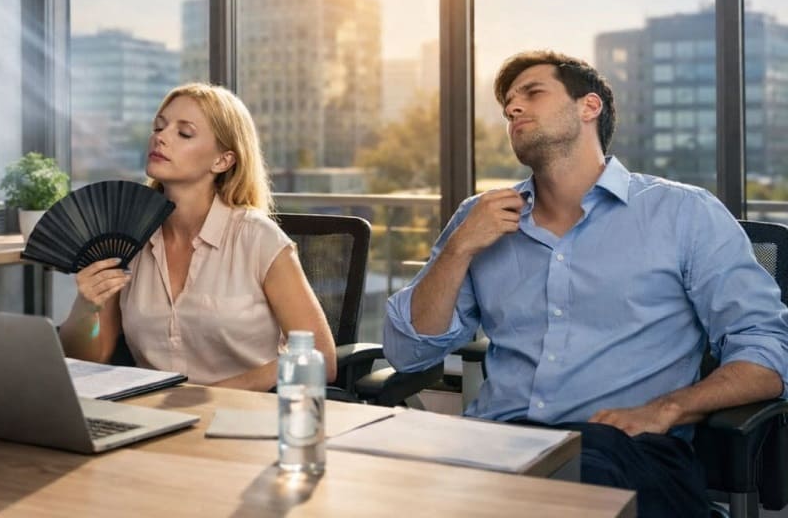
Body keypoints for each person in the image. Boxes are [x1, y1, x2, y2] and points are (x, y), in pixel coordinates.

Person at [382, 50, 788, 517]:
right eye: (507, 105)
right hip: (498, 445)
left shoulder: (683, 213)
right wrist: (459, 249)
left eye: (532, 93)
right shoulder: (479, 219)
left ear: (588, 107)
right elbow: (409, 353)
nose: (513, 109)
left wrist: (667, 409)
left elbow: (767, 352)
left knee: (568, 484)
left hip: (626, 451)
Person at [59, 83, 336, 391]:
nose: (160, 137)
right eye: (159, 126)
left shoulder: (259, 239)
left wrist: (212, 396)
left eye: (184, 133)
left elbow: (321, 357)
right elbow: (89, 358)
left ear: (222, 161)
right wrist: (86, 306)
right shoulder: (127, 241)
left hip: (246, 421)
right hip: (155, 419)